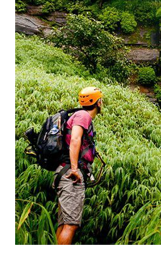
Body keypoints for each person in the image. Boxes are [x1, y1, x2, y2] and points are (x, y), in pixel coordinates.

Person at [53, 86, 103, 245]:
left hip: (64, 172)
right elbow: (75, 139)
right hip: (71, 174)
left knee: (64, 224)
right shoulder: (83, 116)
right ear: (98, 102)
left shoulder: (80, 115)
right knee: (71, 225)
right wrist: (75, 169)